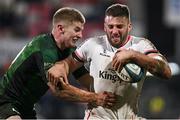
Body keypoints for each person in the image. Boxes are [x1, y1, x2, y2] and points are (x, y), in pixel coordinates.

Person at [47, 3, 172, 119]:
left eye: (119, 26)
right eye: (110, 26)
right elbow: (67, 64)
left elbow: (166, 71)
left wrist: (133, 55)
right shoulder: (93, 44)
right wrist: (61, 66)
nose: (115, 31)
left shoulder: (141, 45)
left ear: (129, 26)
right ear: (105, 27)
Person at [0, 7, 116, 119]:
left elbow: (87, 80)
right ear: (61, 29)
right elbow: (59, 91)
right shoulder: (44, 47)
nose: (80, 35)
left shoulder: (70, 51)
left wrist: (113, 88)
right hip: (6, 101)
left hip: (27, 107)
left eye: (81, 30)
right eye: (76, 30)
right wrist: (95, 98)